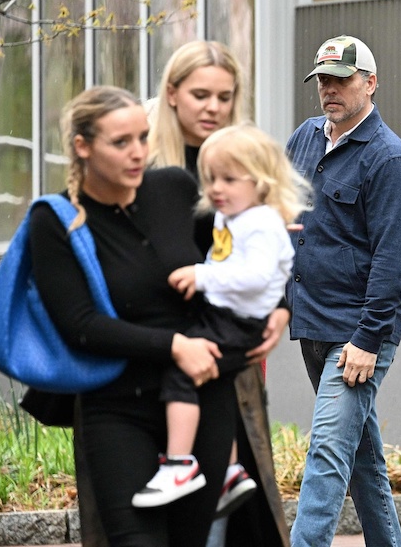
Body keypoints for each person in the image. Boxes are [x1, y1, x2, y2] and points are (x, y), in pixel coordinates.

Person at [29, 85, 235, 546]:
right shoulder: (56, 219)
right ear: (82, 146)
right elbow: (80, 325)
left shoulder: (175, 189)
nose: (138, 152)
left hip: (202, 401)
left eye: (142, 137)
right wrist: (175, 346)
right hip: (117, 410)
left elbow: (229, 259)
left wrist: (277, 305)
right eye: (120, 142)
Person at [146, 39, 291, 546]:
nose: (213, 107)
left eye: (224, 97)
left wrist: (282, 306)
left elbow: (271, 243)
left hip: (224, 334)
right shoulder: (142, 159)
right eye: (200, 95)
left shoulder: (240, 159)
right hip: (159, 341)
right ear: (172, 93)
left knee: (233, 489)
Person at [132, 123, 307, 517]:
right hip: (227, 316)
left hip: (239, 323)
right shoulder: (233, 217)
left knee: (182, 374)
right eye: (210, 179)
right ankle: (228, 472)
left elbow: (256, 276)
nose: (215, 189)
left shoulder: (260, 223)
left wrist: (202, 276)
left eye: (229, 179)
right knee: (215, 388)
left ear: (260, 182)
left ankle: (179, 464)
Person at [285, 35, 401, 547]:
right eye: (323, 80)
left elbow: (390, 260)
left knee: (326, 451)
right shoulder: (304, 138)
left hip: (358, 334)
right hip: (311, 322)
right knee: (362, 460)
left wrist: (367, 339)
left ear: (370, 83)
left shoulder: (389, 159)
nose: (330, 89)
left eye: (342, 79)